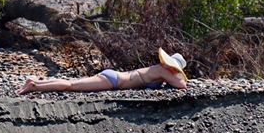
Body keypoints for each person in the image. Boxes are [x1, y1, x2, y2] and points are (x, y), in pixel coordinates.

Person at [16, 48, 188, 94]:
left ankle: (35, 83)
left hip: (113, 77)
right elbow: (182, 86)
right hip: (113, 81)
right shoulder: (163, 71)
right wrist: (174, 77)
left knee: (72, 84)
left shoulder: (159, 69)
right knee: (70, 85)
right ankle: (34, 87)